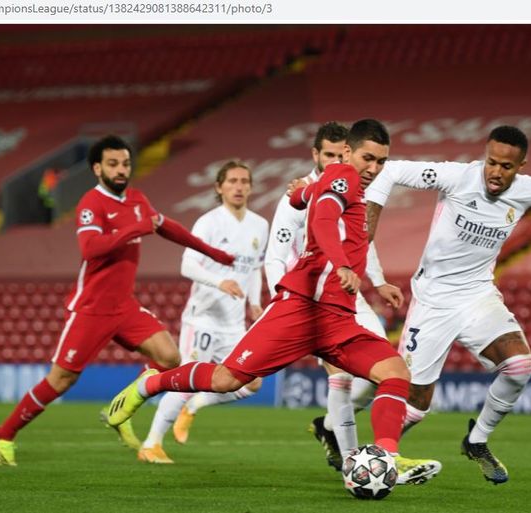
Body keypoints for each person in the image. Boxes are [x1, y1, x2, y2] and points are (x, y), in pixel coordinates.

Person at [105, 119, 441, 486]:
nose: (373, 169)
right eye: (367, 158)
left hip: (338, 320)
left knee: (395, 372)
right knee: (225, 379)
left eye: (381, 161)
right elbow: (326, 219)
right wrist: (342, 263)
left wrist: (300, 194)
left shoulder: (341, 184)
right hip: (299, 309)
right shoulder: (343, 175)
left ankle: (389, 457)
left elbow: (310, 199)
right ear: (347, 153)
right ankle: (148, 386)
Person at [364, 125, 531, 484]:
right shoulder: (457, 176)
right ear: (484, 156)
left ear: (520, 166)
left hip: (477, 294)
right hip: (434, 300)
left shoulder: (528, 188)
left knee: (519, 366)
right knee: (416, 405)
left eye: (506, 166)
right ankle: (377, 459)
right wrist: (368, 229)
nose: (496, 172)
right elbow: (391, 170)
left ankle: (477, 440)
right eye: (491, 162)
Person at [0, 135, 235, 466]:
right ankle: (3, 435)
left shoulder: (136, 199)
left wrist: (214, 252)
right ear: (97, 168)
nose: (121, 170)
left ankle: (120, 408)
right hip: (92, 307)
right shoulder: (91, 203)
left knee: (169, 356)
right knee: (61, 380)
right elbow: (91, 249)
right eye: (114, 164)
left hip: (125, 306)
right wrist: (133, 228)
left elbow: (168, 228)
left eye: (126, 163)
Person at [260, 121, 403, 473]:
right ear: (316, 155)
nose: (337, 160)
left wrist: (380, 281)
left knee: (382, 373)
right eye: (330, 155)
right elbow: (275, 255)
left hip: (350, 297)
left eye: (342, 154)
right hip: (310, 298)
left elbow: (358, 240)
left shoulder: (354, 185)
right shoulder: (300, 194)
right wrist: (284, 300)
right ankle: (355, 464)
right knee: (339, 376)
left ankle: (328, 426)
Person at [139, 160, 268, 464]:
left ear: (251, 186)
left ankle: (195, 406)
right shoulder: (209, 222)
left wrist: (254, 301)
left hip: (235, 323)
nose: (239, 186)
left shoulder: (260, 225)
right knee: (186, 379)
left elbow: (255, 268)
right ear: (219, 187)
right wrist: (220, 281)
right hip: (203, 319)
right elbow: (187, 265)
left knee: (252, 382)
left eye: (244, 181)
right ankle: (151, 444)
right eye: (232, 181)